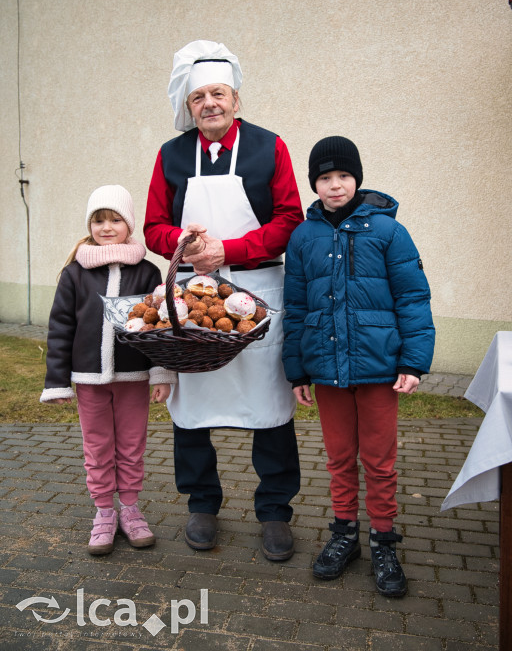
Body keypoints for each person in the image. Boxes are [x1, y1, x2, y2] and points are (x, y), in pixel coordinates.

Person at [144, 39, 304, 561]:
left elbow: (288, 221)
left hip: (259, 292)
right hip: (194, 297)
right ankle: (201, 503)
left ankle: (275, 510)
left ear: (235, 98)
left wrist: (229, 249)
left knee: (269, 404)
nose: (209, 104)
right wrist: (185, 246)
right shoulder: (170, 155)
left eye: (219, 93)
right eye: (198, 98)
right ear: (188, 107)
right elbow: (153, 227)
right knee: (192, 404)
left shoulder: (269, 147)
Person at [282, 136, 435, 596]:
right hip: (325, 368)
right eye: (325, 178)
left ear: (357, 179)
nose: (335, 185)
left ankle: (384, 539)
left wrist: (414, 360)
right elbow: (294, 307)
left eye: (343, 176)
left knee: (379, 459)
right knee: (339, 458)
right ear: (315, 184)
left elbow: (412, 298)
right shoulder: (303, 236)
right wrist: (297, 369)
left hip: (378, 368)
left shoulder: (390, 232)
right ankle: (344, 534)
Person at [41, 185, 175, 555]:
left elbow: (160, 326)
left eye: (115, 219)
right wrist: (57, 382)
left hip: (134, 376)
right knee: (98, 448)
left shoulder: (147, 271)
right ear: (90, 225)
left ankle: (130, 510)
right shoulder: (74, 273)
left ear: (129, 224)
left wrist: (162, 372)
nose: (106, 226)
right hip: (89, 380)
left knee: (131, 447)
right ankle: (104, 513)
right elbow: (61, 327)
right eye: (98, 220)